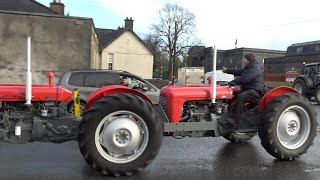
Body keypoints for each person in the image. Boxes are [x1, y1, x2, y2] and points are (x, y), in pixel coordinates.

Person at [222, 53, 264, 128]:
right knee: (233, 94)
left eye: (244, 59)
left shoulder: (254, 68)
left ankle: (236, 120)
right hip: (248, 88)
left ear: (248, 60)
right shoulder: (248, 67)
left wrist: (230, 83)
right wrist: (227, 70)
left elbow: (244, 79)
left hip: (255, 90)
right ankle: (227, 113)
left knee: (241, 97)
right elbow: (239, 71)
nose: (243, 60)